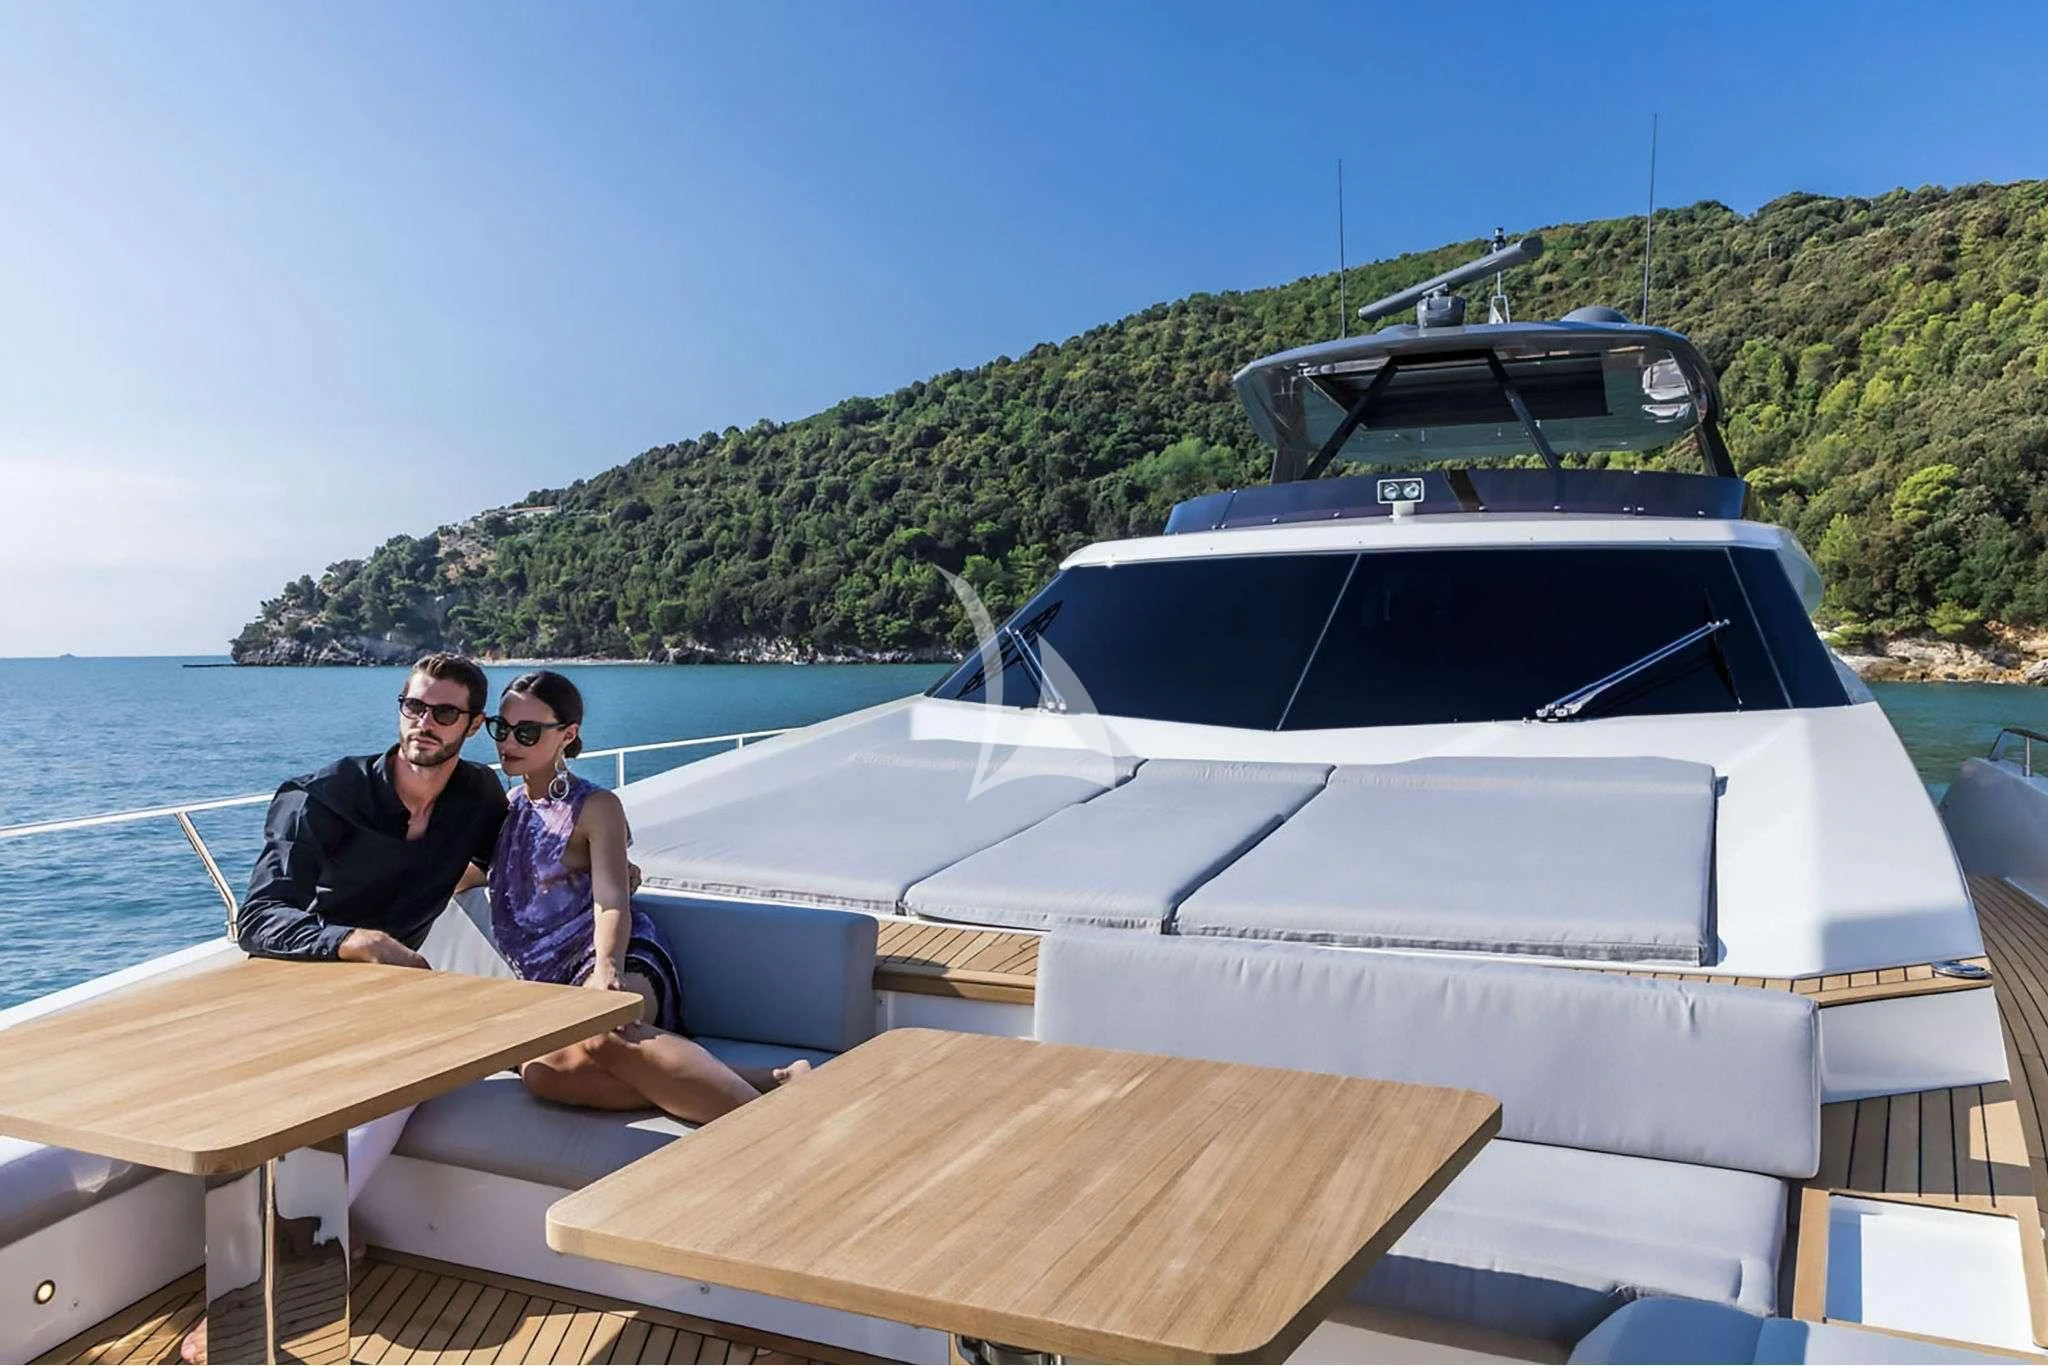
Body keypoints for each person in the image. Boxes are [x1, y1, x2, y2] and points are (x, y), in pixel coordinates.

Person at [187, 652, 503, 1363]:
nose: (424, 724)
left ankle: (294, 1261)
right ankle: (282, 1272)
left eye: (444, 713)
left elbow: (519, 856)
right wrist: (355, 940)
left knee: (407, 1069)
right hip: (304, 984)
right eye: (413, 706)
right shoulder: (322, 797)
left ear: (475, 725)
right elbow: (258, 921)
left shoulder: (478, 799)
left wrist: (601, 855)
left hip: (391, 999)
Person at [485, 669, 807, 1121]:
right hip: (550, 986)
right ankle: (763, 1080)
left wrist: (607, 969)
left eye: (527, 731)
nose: (508, 742)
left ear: (567, 735)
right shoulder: (505, 809)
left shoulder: (596, 807)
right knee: (543, 1074)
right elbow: (464, 876)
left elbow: (613, 899)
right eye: (501, 728)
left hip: (616, 957)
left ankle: (771, 1127)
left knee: (604, 1032)